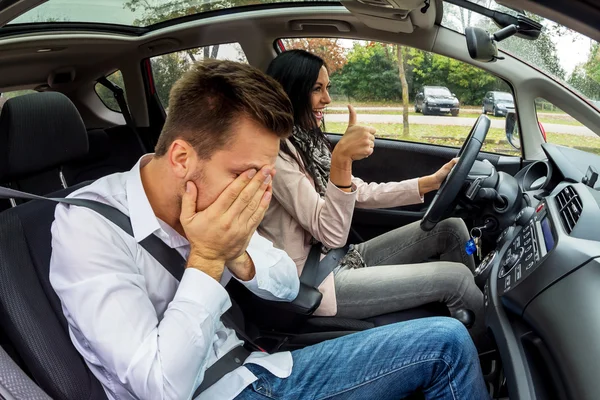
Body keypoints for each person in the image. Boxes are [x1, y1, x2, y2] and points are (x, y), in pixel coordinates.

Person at [50, 59, 490, 400]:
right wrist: (205, 259)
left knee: (443, 332)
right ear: (182, 158)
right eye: (249, 173)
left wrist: (237, 254)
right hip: (220, 391)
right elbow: (162, 386)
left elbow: (283, 282)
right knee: (445, 343)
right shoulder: (89, 229)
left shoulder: (219, 195)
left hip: (259, 364)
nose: (261, 191)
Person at [261, 49, 485, 341]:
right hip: (315, 281)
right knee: (456, 280)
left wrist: (429, 182)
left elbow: (359, 192)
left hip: (343, 257)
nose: (327, 99)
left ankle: (472, 309)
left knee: (453, 230)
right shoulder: (276, 157)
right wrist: (342, 159)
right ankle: (484, 347)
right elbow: (330, 233)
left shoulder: (304, 140)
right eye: (317, 89)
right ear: (291, 91)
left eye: (327, 88)